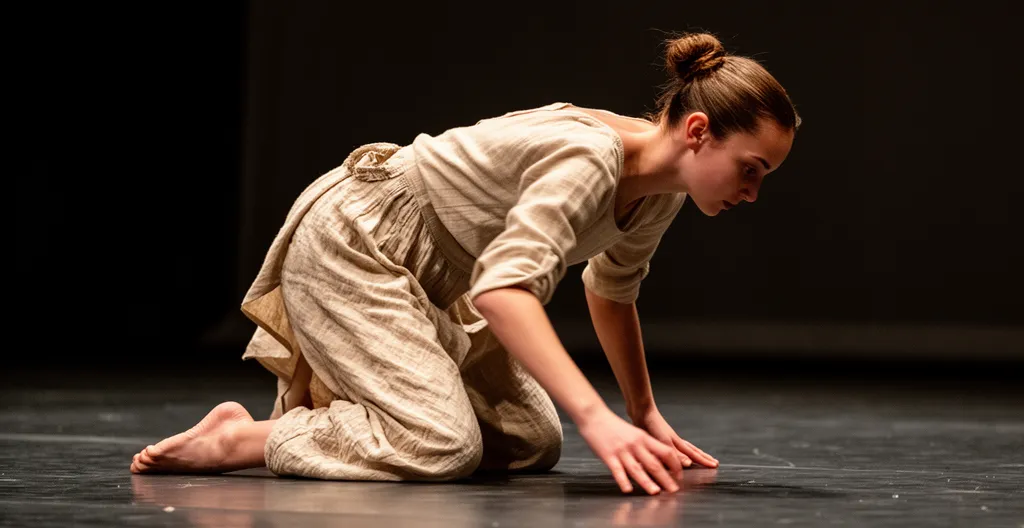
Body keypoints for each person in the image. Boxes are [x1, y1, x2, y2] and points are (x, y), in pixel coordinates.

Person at [130, 31, 799, 496]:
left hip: (439, 275)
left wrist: (643, 412)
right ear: (697, 132)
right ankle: (244, 439)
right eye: (750, 169)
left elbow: (612, 290)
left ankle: (380, 411)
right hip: (359, 242)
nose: (752, 192)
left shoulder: (661, 194)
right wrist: (598, 418)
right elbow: (503, 292)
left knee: (531, 441)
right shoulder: (590, 158)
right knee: (441, 446)